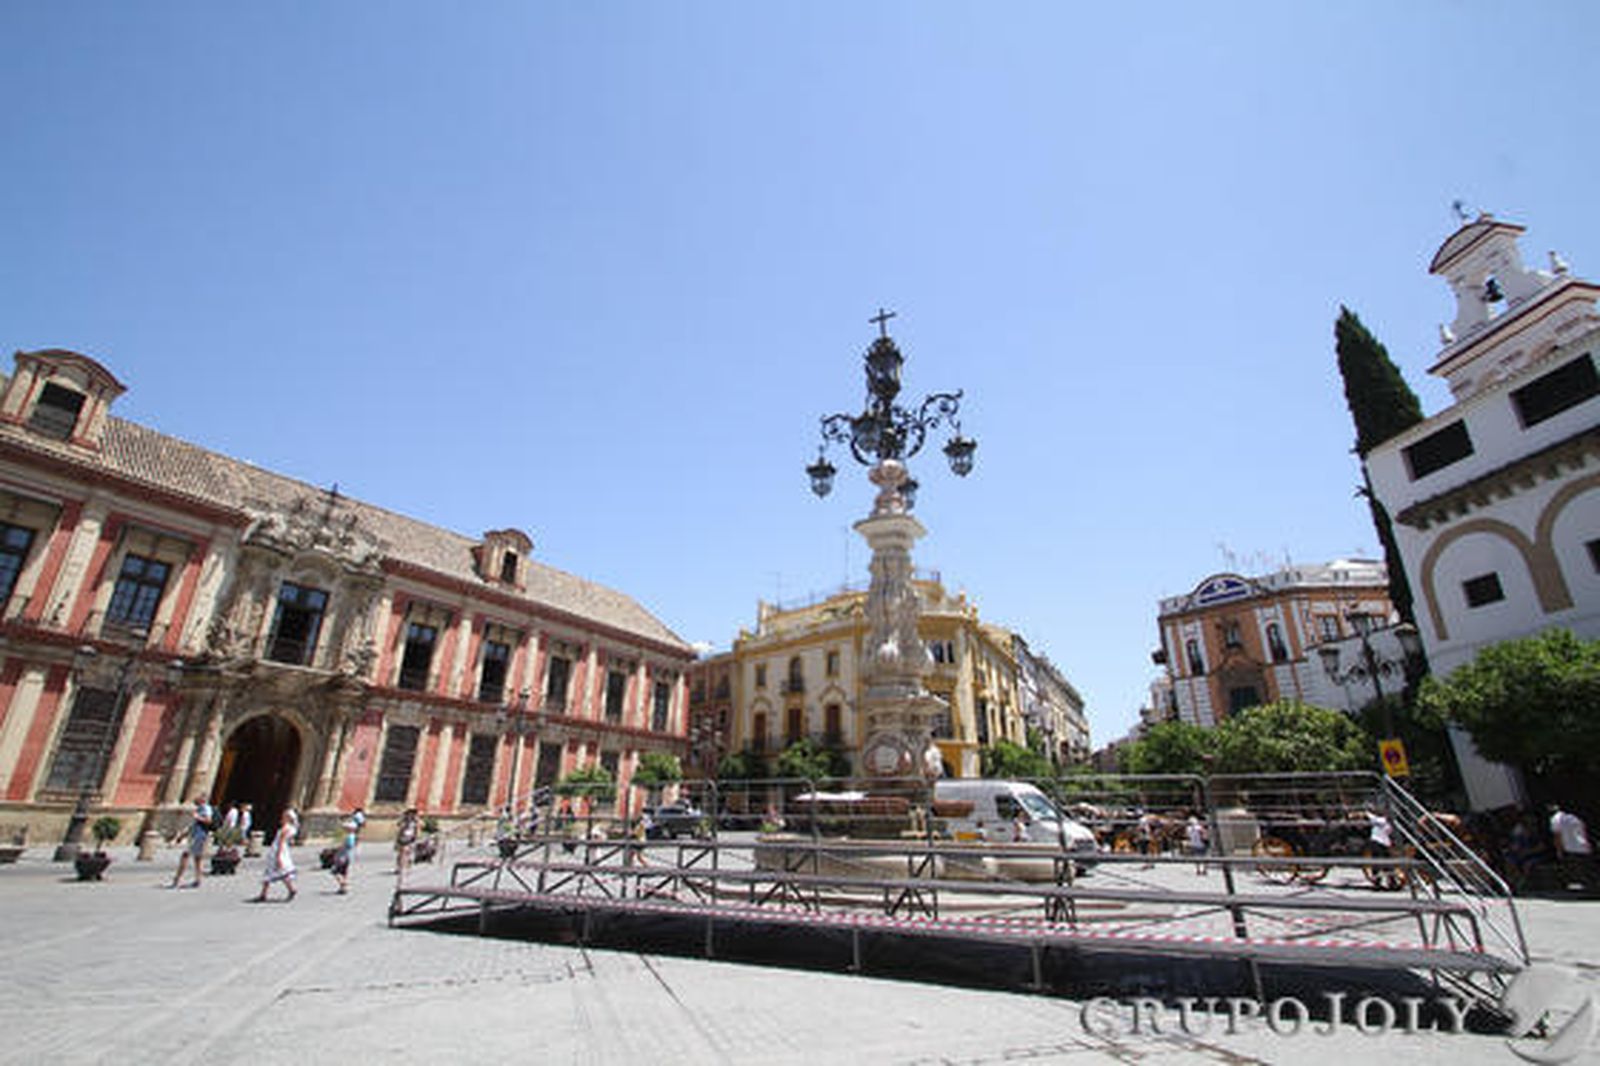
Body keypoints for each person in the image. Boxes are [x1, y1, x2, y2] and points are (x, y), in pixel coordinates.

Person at [170, 795, 214, 888]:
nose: (195, 799)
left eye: (198, 798)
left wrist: (197, 817)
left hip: (198, 836)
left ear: (202, 800)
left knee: (185, 856)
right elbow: (194, 825)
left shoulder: (206, 808)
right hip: (196, 835)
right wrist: (183, 835)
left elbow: (208, 820)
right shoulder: (200, 809)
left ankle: (177, 879)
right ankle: (198, 879)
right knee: (197, 859)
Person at [1549, 804, 1594, 891]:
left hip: (1570, 847)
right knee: (1584, 869)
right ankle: (1588, 887)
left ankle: (1575, 887)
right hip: (1583, 846)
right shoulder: (1576, 818)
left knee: (1572, 869)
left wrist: (1559, 850)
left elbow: (1557, 836)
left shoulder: (1556, 819)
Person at [256, 808, 298, 902]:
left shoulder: (285, 828)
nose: (282, 817)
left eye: (284, 816)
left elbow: (281, 842)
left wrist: (278, 856)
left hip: (278, 850)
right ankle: (290, 889)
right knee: (281, 873)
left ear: (287, 817)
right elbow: (290, 841)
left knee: (273, 871)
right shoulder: (291, 828)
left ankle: (264, 894)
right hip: (283, 850)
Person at [331, 816, 359, 895]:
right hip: (348, 856)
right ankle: (343, 888)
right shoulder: (353, 836)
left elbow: (346, 845)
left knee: (335, 872)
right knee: (344, 872)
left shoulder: (348, 837)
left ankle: (343, 883)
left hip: (341, 856)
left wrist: (338, 847)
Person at [394, 808, 419, 878]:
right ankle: (399, 867)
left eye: (413, 814)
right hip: (402, 838)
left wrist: (415, 837)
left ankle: (407, 867)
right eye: (410, 814)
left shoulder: (415, 822)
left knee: (408, 853)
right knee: (401, 854)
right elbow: (399, 826)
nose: (412, 815)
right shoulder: (404, 821)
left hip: (410, 838)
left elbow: (416, 830)